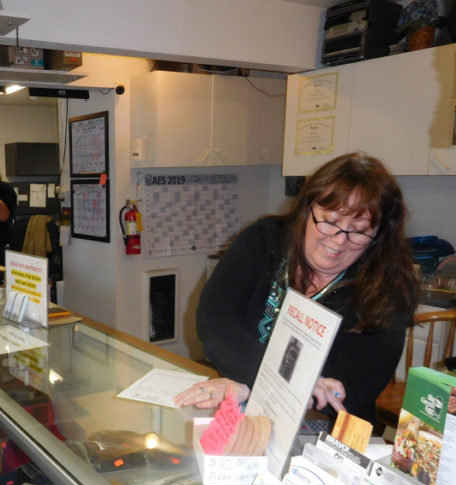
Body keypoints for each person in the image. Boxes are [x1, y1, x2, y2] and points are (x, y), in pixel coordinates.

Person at [174, 152, 420, 425]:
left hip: (327, 434)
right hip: (245, 413)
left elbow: (353, 387)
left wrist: (248, 387)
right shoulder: (263, 240)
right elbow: (215, 318)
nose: (339, 241)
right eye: (329, 222)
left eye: (359, 230)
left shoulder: (389, 287)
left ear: (378, 234)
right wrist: (271, 382)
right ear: (307, 209)